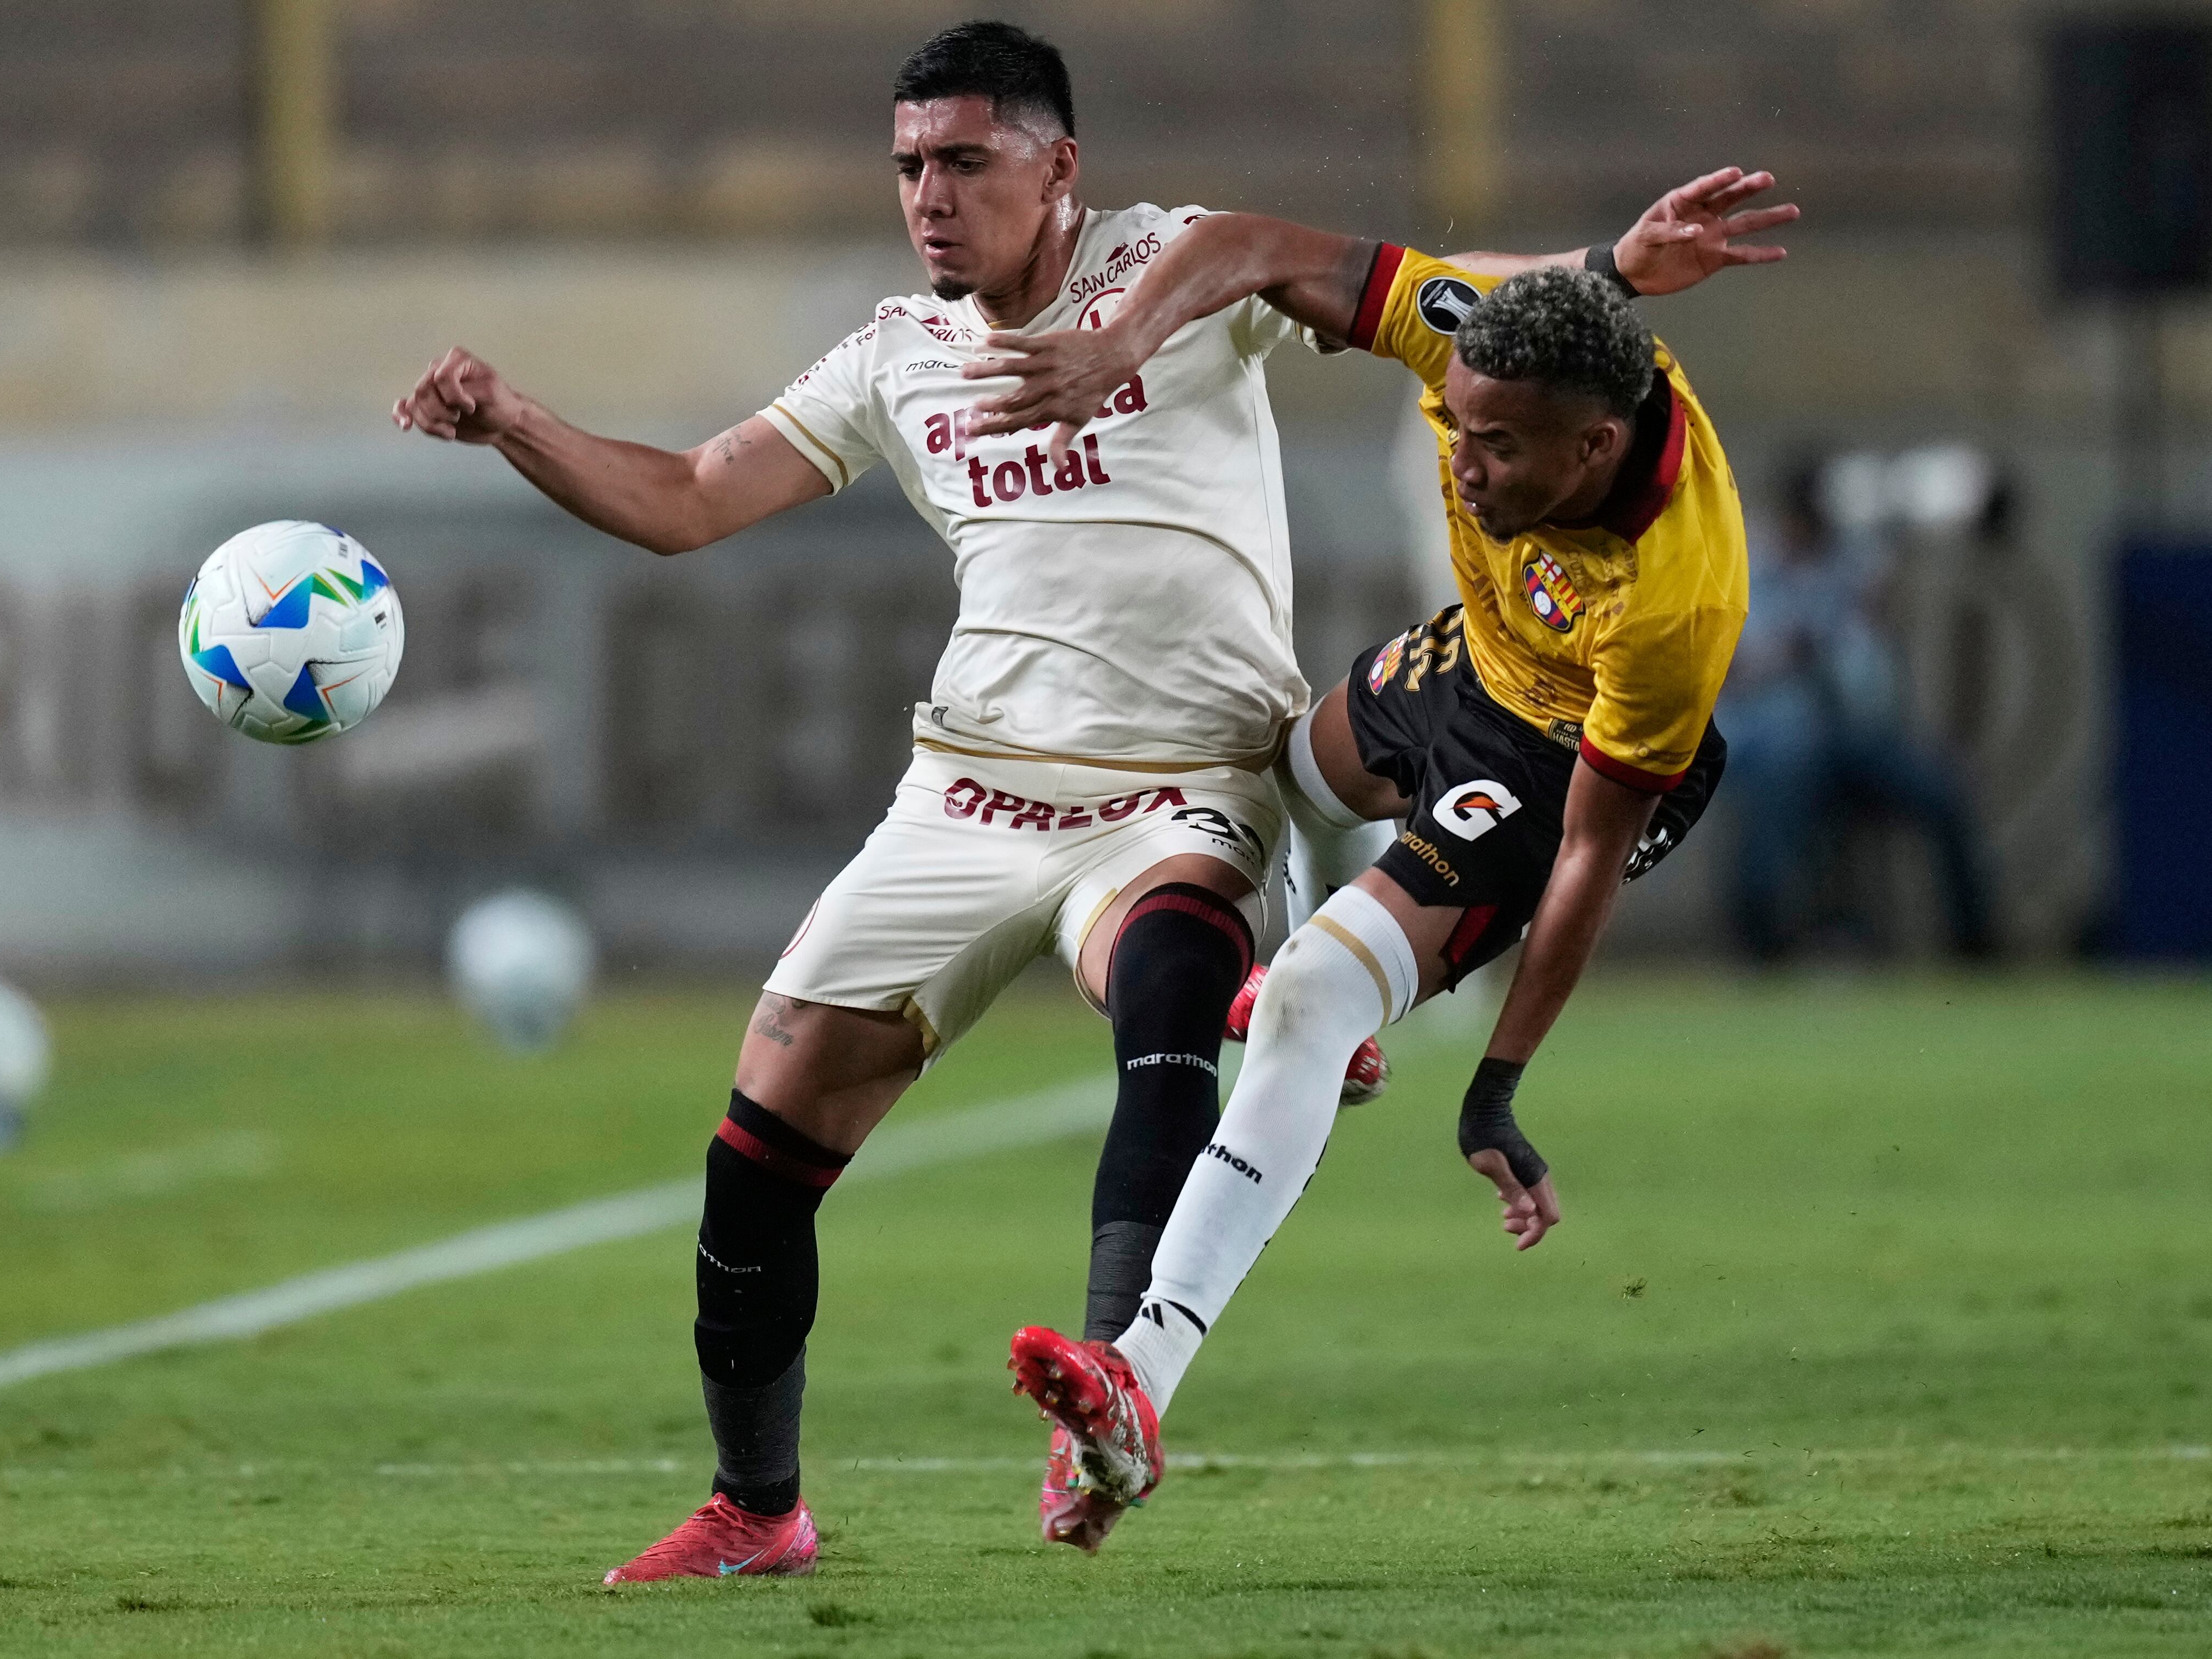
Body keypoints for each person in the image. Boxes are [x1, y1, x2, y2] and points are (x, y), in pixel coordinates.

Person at [395, 20, 1778, 1577]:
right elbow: (694, 499)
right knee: (755, 1143)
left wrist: (1604, 266)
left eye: (966, 162)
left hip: (1185, 782)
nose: (930, 196)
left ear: (1061, 166)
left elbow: (1365, 276)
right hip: (966, 792)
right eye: (911, 165)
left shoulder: (1170, 270)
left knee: (1180, 969)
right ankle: (757, 1508)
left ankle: (1111, 1392)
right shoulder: (892, 356)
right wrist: (514, 423)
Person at [973, 187, 1788, 1544]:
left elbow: (1583, 855)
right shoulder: (1466, 333)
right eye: (1456, 426)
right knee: (1251, 771)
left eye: (1500, 448)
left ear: (1593, 447)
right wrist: (1115, 344)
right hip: (1474, 658)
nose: (1462, 465)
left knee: (1300, 996)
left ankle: (1139, 1376)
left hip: (1559, 757)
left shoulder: (1673, 596)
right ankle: (1328, 1027)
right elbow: (1246, 244)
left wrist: (1499, 1085)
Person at [1715, 460, 1995, 959]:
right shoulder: (1745, 563)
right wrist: (1787, 653)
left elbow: (1869, 643)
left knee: (1942, 792)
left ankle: (1975, 942)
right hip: (1771, 740)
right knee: (1779, 796)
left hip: (1853, 738)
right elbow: (1726, 671)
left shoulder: (1849, 563)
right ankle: (1761, 942)